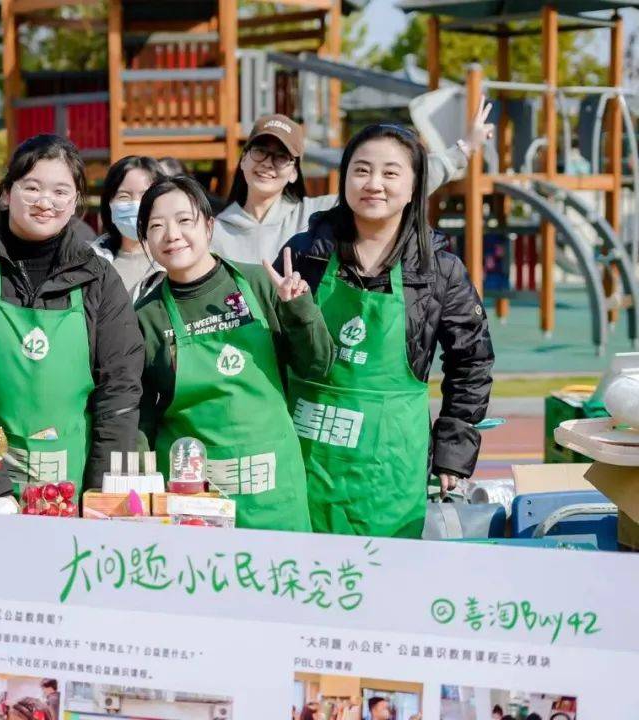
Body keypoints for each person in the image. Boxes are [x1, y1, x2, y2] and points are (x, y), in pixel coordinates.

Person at [285, 123, 494, 538]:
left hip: (391, 463)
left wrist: (453, 451)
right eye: (361, 170)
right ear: (344, 178)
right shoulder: (304, 254)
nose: (373, 184)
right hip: (304, 453)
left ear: (415, 186)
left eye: (390, 173)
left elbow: (471, 361)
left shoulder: (438, 271)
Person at [0, 134, 143, 507]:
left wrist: (100, 495)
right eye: (32, 188)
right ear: (7, 193)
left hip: (72, 491)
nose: (45, 202)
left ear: (75, 203)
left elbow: (119, 391)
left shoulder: (100, 282)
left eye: (60, 191)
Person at [135, 175, 334, 531]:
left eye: (184, 220)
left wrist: (299, 309)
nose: (172, 234)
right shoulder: (146, 317)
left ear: (209, 226)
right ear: (146, 241)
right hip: (194, 502)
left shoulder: (261, 284)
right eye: (156, 226)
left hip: (273, 494)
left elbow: (317, 365)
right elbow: (141, 418)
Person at [210, 101, 495, 264]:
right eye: (260, 151)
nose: (268, 164)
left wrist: (464, 149)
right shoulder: (212, 230)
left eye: (281, 157)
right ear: (244, 159)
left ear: (295, 172)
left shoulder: (315, 215)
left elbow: (399, 185)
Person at [91, 155, 164, 299]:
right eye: (124, 196)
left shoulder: (177, 259)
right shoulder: (91, 264)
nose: (136, 204)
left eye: (145, 196)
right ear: (109, 203)